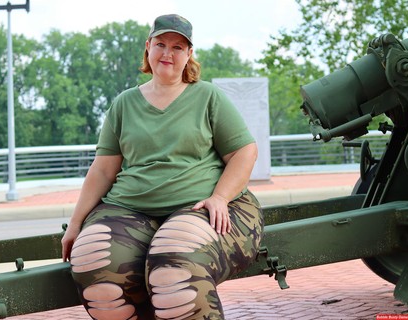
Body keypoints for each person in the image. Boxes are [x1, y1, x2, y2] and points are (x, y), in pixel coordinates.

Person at [61, 13, 264, 320]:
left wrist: (220, 197)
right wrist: (75, 223)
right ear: (148, 47)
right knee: (94, 264)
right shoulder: (124, 104)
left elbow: (244, 152)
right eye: (161, 44)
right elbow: (103, 170)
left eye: (178, 47)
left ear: (189, 54)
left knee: (174, 273)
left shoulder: (207, 96)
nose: (168, 53)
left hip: (199, 207)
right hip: (129, 209)